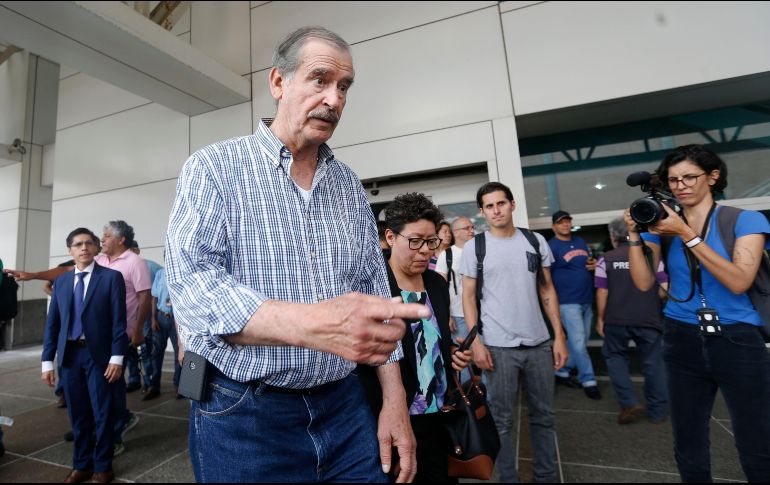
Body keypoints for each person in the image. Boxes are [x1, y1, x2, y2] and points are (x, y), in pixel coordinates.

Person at [165, 26, 429, 483]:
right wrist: (316, 326)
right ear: (278, 83)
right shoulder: (213, 168)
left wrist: (394, 401)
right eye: (320, 79)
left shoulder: (348, 185)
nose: (334, 99)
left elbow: (374, 294)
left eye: (344, 87)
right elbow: (193, 287)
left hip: (345, 408)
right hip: (245, 414)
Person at [626, 144, 770, 482]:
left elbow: (738, 281)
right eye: (674, 180)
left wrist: (686, 234)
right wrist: (635, 235)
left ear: (713, 176)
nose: (681, 185)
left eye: (690, 176)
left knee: (756, 436)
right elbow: (644, 282)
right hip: (680, 336)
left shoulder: (745, 220)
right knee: (688, 437)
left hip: (737, 337)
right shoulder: (661, 226)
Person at [459, 182, 569, 483]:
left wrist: (559, 336)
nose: (496, 210)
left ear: (512, 204)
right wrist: (476, 342)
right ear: (482, 212)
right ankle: (508, 478)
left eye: (501, 203)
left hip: (539, 344)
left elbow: (547, 290)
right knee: (502, 421)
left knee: (544, 417)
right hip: (498, 347)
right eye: (489, 206)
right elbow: (468, 298)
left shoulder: (535, 242)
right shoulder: (475, 247)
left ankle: (546, 477)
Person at [359, 193, 472, 483]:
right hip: (397, 418)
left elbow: (433, 341)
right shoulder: (374, 287)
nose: (425, 251)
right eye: (415, 241)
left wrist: (451, 355)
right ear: (390, 237)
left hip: (440, 415)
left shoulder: (436, 283)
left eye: (431, 241)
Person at [41, 227, 128, 483]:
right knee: (78, 415)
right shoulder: (62, 282)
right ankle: (82, 464)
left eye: (89, 243)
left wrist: (117, 358)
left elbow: (118, 323)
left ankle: (102, 466)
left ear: (96, 248)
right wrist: (47, 361)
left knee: (103, 413)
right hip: (70, 357)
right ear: (70, 250)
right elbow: (53, 324)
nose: (84, 248)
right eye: (78, 244)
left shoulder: (111, 278)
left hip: (99, 357)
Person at [595, 217, 669, 424]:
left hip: (616, 319)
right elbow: (665, 289)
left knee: (615, 357)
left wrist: (600, 318)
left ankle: (629, 402)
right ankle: (658, 411)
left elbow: (602, 292)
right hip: (649, 318)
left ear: (613, 236)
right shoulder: (651, 256)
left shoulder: (605, 259)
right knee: (654, 363)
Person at [96, 221, 150, 455]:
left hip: (120, 333)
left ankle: (115, 433)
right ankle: (101, 427)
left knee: (112, 384)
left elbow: (145, 298)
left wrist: (138, 331)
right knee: (99, 383)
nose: (102, 239)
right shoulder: (98, 260)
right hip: (97, 332)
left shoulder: (134, 262)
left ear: (121, 240)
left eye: (107, 235)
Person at [548, 210, 601, 400]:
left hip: (586, 298)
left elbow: (585, 263)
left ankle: (562, 371)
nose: (565, 225)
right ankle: (589, 380)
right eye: (561, 222)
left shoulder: (579, 242)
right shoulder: (551, 247)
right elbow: (545, 278)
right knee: (578, 342)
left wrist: (592, 266)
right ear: (554, 226)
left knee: (579, 340)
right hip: (567, 301)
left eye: (567, 222)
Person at [129, 241, 162, 398]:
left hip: (146, 317)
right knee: (129, 351)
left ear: (137, 250)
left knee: (147, 350)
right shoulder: (119, 267)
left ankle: (150, 384)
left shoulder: (153, 267)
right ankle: (134, 380)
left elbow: (160, 291)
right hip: (128, 317)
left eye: (130, 249)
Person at [435, 217, 475, 341]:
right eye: (467, 228)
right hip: (458, 316)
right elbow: (439, 289)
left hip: (483, 316)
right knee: (463, 356)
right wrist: (447, 316)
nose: (471, 231)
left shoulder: (479, 252)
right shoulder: (446, 255)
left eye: (472, 227)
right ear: (456, 232)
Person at [146, 266, 181, 399]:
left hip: (176, 320)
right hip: (161, 318)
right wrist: (153, 318)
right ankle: (154, 386)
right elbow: (154, 297)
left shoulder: (182, 272)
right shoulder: (160, 274)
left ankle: (178, 386)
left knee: (179, 353)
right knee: (156, 353)